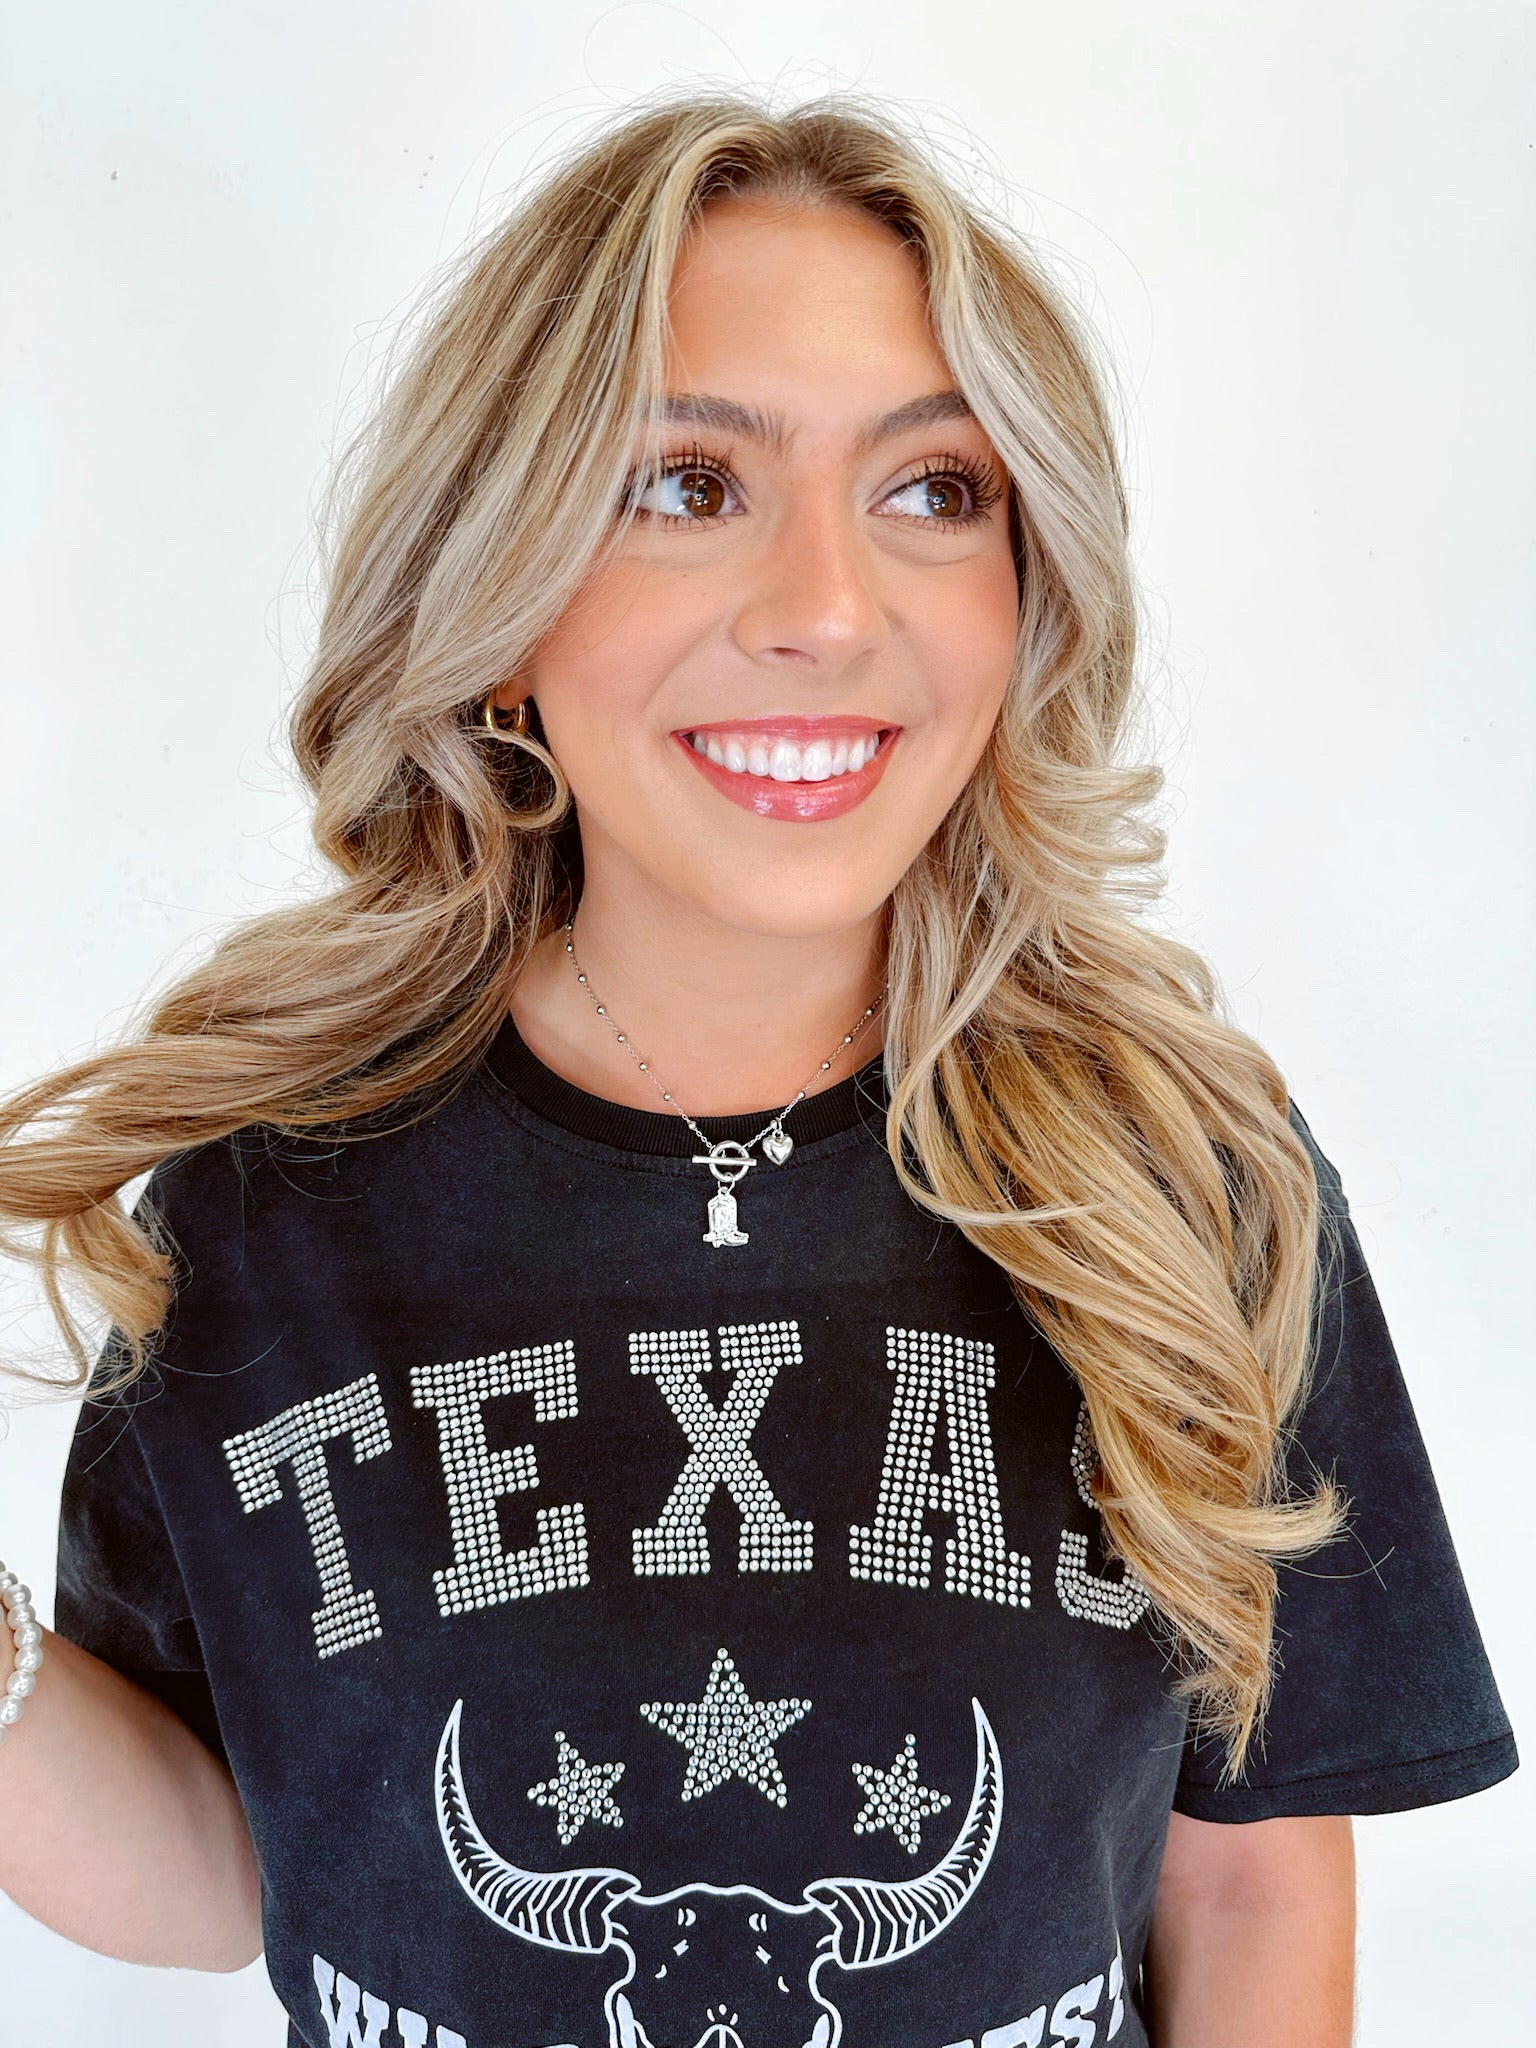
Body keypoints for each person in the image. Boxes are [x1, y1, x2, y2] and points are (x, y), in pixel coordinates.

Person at [0, 86, 1516, 2048]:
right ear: (500, 599)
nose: (824, 610)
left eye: (934, 490)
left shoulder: (1184, 1183)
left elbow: (1249, 1876)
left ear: (1026, 594)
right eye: (687, 484)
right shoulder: (264, 1202)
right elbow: (235, 1865)